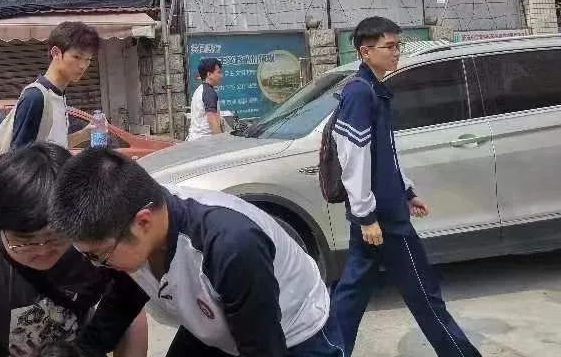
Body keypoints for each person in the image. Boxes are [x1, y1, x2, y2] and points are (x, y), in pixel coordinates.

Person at [49, 147, 346, 357]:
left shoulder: (229, 246)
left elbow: (262, 347)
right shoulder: (132, 222)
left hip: (292, 337)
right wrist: (83, 351)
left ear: (143, 222)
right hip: (219, 325)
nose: (96, 266)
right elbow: (125, 296)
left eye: (98, 256)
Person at [331, 17, 481, 357]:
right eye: (390, 46)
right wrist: (367, 215)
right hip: (384, 220)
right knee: (425, 297)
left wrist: (407, 191)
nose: (397, 52)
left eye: (398, 45)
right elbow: (353, 157)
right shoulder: (361, 92)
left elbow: (385, 154)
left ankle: (328, 352)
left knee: (351, 296)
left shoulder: (373, 89)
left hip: (380, 212)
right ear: (366, 52)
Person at [0, 143, 148, 357]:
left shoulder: (96, 239)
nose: (43, 251)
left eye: (56, 237)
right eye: (26, 242)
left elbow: (130, 313)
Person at [10, 21, 100, 150]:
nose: (82, 66)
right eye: (77, 57)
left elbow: (54, 147)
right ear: (56, 53)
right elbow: (19, 156)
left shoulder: (58, 95)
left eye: (88, 59)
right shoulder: (35, 97)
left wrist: (84, 134)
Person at [186, 57, 224, 140]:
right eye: (218, 72)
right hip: (206, 141)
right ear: (209, 74)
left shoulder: (199, 89)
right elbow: (212, 120)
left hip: (195, 139)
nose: (221, 76)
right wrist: (221, 141)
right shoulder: (209, 93)